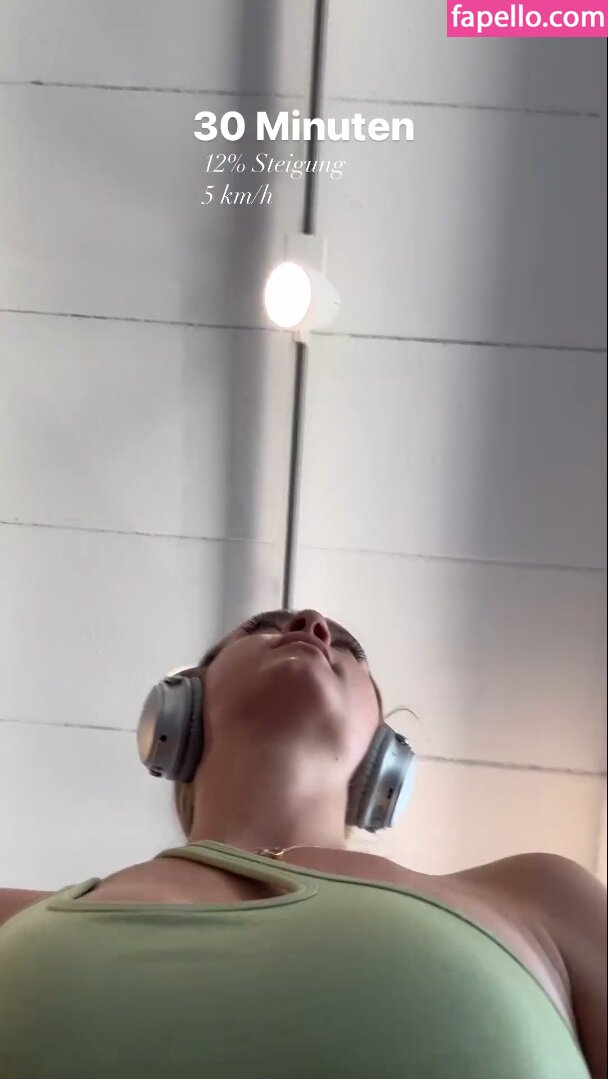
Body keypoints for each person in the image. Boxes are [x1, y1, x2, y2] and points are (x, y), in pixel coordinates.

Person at [0, 608, 605, 1078]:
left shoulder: (541, 898)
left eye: (348, 647)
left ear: (385, 758)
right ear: (178, 708)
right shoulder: (9, 916)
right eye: (261, 627)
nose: (312, 625)